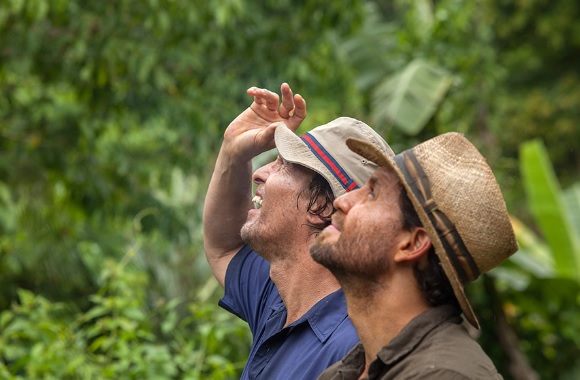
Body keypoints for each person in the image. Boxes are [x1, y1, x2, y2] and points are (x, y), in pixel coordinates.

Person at [203, 83, 394, 379]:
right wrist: (233, 151)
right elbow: (224, 246)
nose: (259, 172)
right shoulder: (280, 299)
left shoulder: (350, 351)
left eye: (282, 165)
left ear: (323, 205)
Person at [311, 132, 519, 379]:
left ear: (412, 244)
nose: (342, 201)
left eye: (372, 194)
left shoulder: (446, 375)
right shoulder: (343, 372)